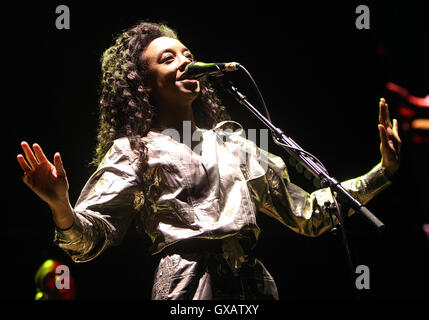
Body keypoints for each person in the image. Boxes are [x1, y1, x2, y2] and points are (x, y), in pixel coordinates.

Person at [17, 21, 401, 300]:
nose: (185, 61)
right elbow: (87, 240)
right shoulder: (135, 151)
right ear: (144, 83)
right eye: (168, 59)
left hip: (253, 287)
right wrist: (60, 205)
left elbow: (307, 214)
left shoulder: (235, 144)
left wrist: (382, 171)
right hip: (187, 290)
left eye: (188, 55)